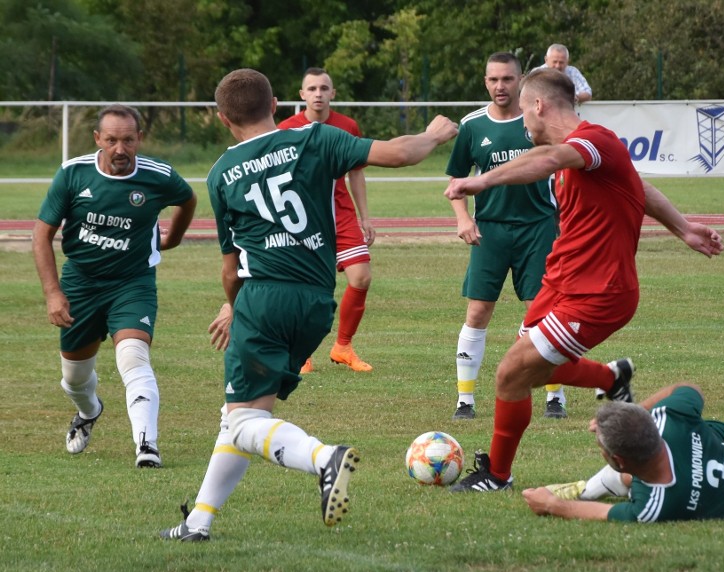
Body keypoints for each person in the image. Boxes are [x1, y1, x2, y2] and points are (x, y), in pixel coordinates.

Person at [160, 68, 457, 541]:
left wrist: (232, 306)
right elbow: (400, 154)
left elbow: (229, 264)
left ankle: (324, 458)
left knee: (244, 423)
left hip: (263, 299)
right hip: (316, 303)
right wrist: (435, 133)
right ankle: (198, 521)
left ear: (222, 119)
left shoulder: (220, 175)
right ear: (276, 104)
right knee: (239, 415)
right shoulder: (315, 138)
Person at [444, 68, 724, 493]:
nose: (522, 123)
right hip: (561, 282)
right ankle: (612, 380)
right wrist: (683, 227)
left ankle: (498, 475)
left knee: (509, 374)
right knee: (527, 375)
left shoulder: (591, 141)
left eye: (524, 112)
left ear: (539, 106)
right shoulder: (585, 152)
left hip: (597, 292)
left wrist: (482, 180)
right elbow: (637, 187)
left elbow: (551, 160)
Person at [33, 104, 197, 468]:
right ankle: (89, 411)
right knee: (74, 378)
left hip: (133, 282)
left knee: (133, 356)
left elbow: (187, 200)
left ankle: (147, 445)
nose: (120, 149)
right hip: (80, 282)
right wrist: (53, 293)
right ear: (98, 140)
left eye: (127, 140)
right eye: (111, 140)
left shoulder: (159, 176)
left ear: (139, 138)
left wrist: (171, 238)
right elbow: (41, 235)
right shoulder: (73, 174)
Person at [522, 382, 724, 521]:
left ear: (618, 459)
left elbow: (601, 514)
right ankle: (596, 485)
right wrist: (638, 411)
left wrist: (552, 505)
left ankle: (595, 486)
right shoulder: (668, 419)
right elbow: (688, 389)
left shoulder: (654, 504)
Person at [446, 52, 566, 420]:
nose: (501, 86)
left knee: (544, 313)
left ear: (521, 81)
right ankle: (465, 401)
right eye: (494, 80)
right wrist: (463, 219)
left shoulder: (539, 120)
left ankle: (554, 396)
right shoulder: (472, 125)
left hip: (539, 227)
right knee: (478, 310)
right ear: (486, 82)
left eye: (508, 79)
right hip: (491, 230)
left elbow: (564, 166)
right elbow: (456, 180)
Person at [278, 67, 375, 373]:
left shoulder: (348, 126)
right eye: (312, 88)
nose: (318, 94)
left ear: (333, 93)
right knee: (305, 287)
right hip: (303, 217)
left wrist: (365, 217)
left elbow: (356, 173)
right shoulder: (286, 129)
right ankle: (301, 352)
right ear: (302, 95)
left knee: (361, 277)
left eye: (324, 88)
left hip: (341, 212)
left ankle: (343, 346)